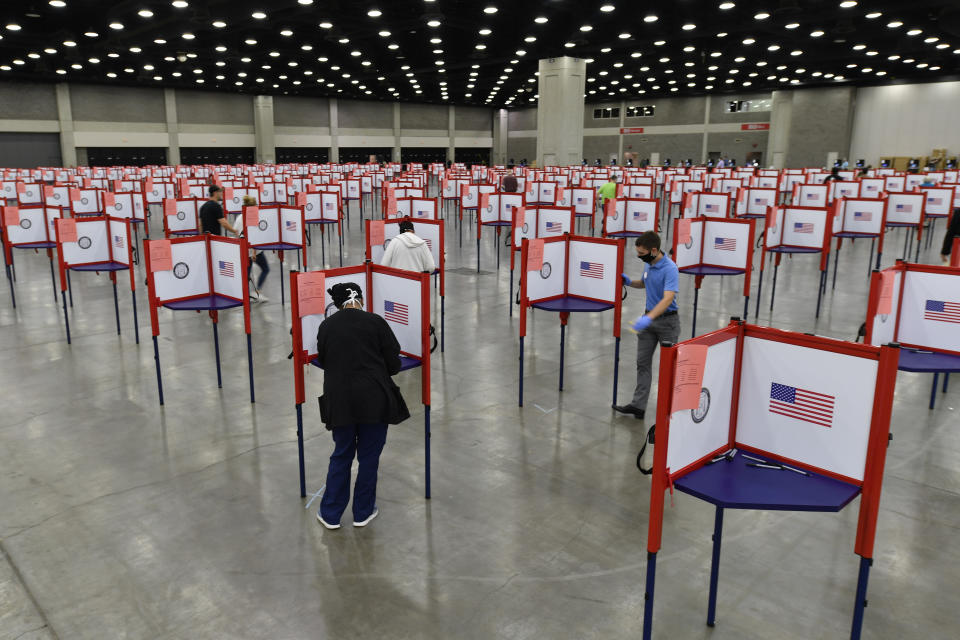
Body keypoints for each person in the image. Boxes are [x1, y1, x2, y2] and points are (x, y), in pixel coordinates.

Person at [315, 282, 408, 529]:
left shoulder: (326, 326)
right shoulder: (376, 322)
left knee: (341, 454)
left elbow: (323, 360)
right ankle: (362, 512)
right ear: (361, 300)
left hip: (340, 401)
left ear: (337, 304)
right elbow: (393, 364)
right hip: (375, 401)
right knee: (369, 458)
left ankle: (331, 514)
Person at [614, 232, 681, 420]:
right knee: (642, 363)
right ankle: (638, 406)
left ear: (654, 250)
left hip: (668, 322)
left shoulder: (670, 269)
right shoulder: (648, 264)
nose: (639, 256)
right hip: (648, 320)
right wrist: (629, 282)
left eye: (642, 253)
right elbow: (643, 283)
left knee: (668, 368)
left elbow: (668, 298)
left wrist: (649, 317)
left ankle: (669, 410)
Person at [241, 195, 269, 303]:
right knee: (265, 269)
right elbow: (254, 236)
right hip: (255, 252)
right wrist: (253, 251)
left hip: (244, 252)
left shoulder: (239, 218)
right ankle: (258, 292)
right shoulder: (254, 218)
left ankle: (247, 296)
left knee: (246, 275)